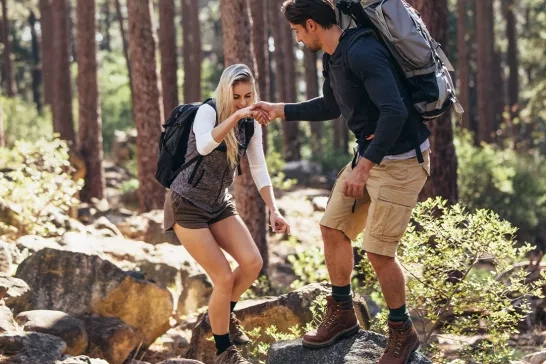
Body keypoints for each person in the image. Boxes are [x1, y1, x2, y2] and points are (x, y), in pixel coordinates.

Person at [252, 1, 430, 363]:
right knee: (332, 228)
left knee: (379, 252)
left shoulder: (363, 51)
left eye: (297, 31)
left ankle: (402, 331)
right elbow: (330, 107)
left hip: (401, 162)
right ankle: (344, 314)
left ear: (313, 25)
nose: (297, 38)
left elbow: (394, 111)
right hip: (368, 156)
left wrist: (364, 167)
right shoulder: (332, 57)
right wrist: (279, 109)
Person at [164, 64, 290, 364]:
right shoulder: (206, 112)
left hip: (219, 203)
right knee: (222, 277)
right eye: (236, 97)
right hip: (187, 204)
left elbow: (258, 167)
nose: (244, 103)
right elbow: (206, 145)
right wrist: (234, 116)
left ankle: (222, 314)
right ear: (224, 92)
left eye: (248, 96)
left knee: (252, 262)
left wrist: (274, 209)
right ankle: (224, 352)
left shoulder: (251, 123)